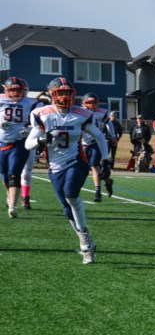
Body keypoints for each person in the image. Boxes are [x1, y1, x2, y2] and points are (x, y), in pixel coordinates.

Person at [25, 77, 109, 264]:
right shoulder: (42, 113)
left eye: (67, 92)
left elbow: (99, 136)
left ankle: (85, 241)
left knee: (71, 194)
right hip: (54, 167)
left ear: (74, 94)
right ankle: (83, 234)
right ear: (52, 94)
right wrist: (40, 140)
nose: (64, 96)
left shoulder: (81, 113)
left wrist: (106, 160)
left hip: (76, 161)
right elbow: (27, 144)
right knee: (66, 208)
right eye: (60, 92)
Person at [0, 76, 38, 218]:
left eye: (19, 90)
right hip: (1, 143)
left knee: (14, 174)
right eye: (13, 90)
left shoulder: (32, 103)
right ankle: (10, 195)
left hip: (19, 142)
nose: (16, 93)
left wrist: (28, 130)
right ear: (6, 90)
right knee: (4, 174)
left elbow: (39, 123)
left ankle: (12, 207)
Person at [20, 91, 50, 210]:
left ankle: (25, 198)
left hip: (30, 139)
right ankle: (10, 195)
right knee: (9, 171)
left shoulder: (40, 107)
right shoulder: (9, 104)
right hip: (13, 140)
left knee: (26, 172)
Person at [80, 93, 111, 202]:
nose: (92, 105)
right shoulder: (79, 112)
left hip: (96, 142)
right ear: (84, 103)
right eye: (89, 102)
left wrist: (113, 136)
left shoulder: (101, 113)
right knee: (94, 167)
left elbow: (109, 124)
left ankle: (97, 192)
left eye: (94, 102)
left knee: (93, 166)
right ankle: (107, 181)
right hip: (82, 143)